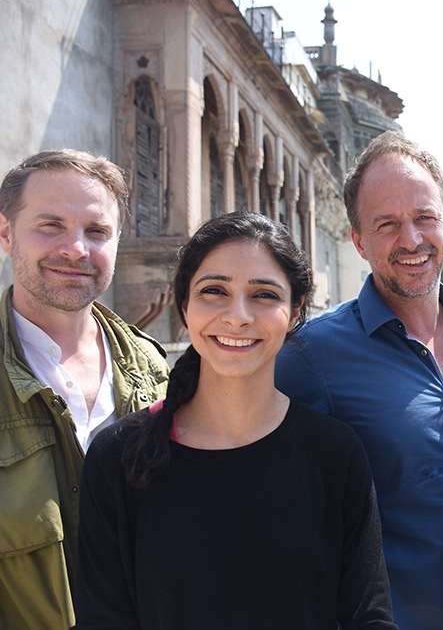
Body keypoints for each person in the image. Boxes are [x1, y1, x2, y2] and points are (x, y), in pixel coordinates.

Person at [72, 211, 396, 629]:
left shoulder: (334, 455)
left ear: (296, 310)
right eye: (214, 291)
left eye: (264, 294)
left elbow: (368, 617)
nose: (238, 315)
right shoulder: (119, 457)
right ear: (185, 304)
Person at [274, 130, 443, 629]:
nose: (411, 239)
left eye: (424, 217)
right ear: (359, 241)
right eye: (386, 224)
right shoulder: (310, 357)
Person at [0, 149, 169, 629]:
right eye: (50, 225)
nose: (76, 249)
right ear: (7, 234)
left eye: (96, 231)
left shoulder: (154, 370)